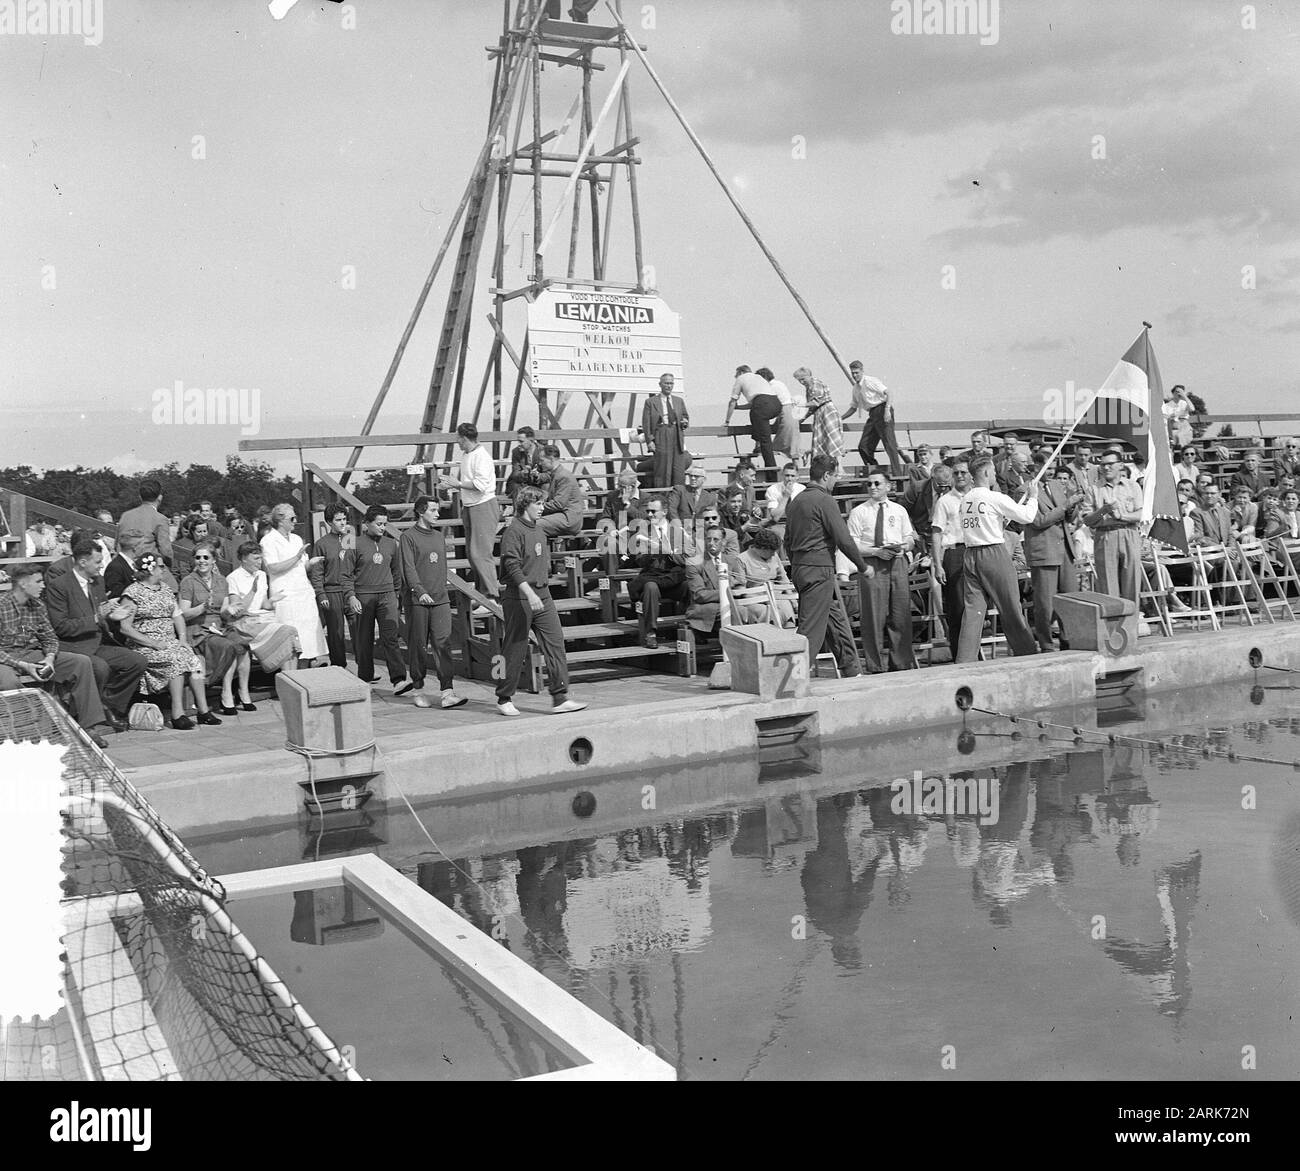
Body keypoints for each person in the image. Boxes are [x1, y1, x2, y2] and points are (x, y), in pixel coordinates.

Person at [0, 563, 115, 747]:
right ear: (23, 583)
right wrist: (22, 665)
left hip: (30, 653)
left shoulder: (37, 605)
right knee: (7, 681)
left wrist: (50, 658)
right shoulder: (2, 605)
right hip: (4, 658)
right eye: (38, 582)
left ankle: (89, 727)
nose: (43, 586)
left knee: (81, 663)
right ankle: (22, 735)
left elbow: (50, 638)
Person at [496, 486, 587, 717]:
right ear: (526, 504)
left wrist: (540, 590)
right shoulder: (512, 531)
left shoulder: (539, 529)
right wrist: (529, 593)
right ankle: (504, 696)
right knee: (514, 648)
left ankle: (560, 696)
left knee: (555, 643)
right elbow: (512, 566)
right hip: (519, 597)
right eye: (538, 503)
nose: (542, 507)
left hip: (543, 594)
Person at [41, 537, 148, 732]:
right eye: (98, 562)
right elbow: (62, 627)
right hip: (73, 646)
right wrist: (98, 617)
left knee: (137, 661)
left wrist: (114, 615)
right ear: (83, 562)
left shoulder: (97, 582)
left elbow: (101, 612)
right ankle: (96, 713)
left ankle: (108, 705)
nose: (101, 566)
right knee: (100, 667)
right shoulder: (59, 586)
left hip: (98, 641)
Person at [784, 455, 870, 675]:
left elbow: (787, 540)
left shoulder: (796, 501)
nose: (836, 481)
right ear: (826, 475)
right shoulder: (825, 500)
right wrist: (862, 566)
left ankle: (851, 669)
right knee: (811, 630)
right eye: (835, 476)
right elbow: (844, 539)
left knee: (834, 619)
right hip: (819, 568)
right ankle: (793, 681)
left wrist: (798, 564)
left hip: (801, 567)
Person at [118, 553, 222, 730]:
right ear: (150, 569)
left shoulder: (165, 589)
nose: (163, 570)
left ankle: (203, 710)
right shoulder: (132, 593)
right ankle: (177, 713)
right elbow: (125, 628)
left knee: (193, 659)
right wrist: (153, 643)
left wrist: (182, 638)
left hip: (168, 641)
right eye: (160, 566)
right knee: (176, 661)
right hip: (145, 644)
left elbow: (177, 615)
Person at [954, 458, 1039, 662]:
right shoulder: (995, 497)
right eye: (992, 472)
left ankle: (964, 661)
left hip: (971, 555)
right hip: (993, 554)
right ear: (984, 474)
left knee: (973, 612)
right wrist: (1033, 497)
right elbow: (1027, 517)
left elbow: (984, 523)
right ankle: (1027, 655)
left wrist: (1000, 521)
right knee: (1010, 607)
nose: (994, 476)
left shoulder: (965, 500)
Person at [844, 470, 917, 673]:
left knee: (900, 612)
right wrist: (876, 551)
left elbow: (909, 537)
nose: (873, 487)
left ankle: (901, 662)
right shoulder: (860, 512)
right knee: (873, 615)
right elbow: (853, 544)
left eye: (877, 483)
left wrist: (904, 547)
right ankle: (875, 665)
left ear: (888, 486)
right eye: (870, 484)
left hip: (897, 563)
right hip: (872, 565)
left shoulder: (899, 510)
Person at [399, 494, 466, 709]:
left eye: (438, 510)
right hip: (418, 601)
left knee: (443, 644)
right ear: (420, 511)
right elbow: (408, 567)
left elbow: (442, 568)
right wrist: (419, 591)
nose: (437, 514)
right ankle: (418, 689)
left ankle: (447, 692)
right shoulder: (407, 537)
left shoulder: (438, 536)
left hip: (440, 599)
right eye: (433, 510)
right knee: (418, 645)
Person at [177, 540, 251, 714]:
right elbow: (183, 613)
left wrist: (230, 610)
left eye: (206, 557)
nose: (202, 561)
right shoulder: (188, 582)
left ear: (213, 560)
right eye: (198, 557)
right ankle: (226, 693)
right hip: (199, 630)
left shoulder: (221, 581)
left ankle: (243, 691)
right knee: (229, 646)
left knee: (243, 645)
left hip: (219, 626)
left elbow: (224, 612)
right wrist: (202, 607)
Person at [1023, 471, 1086, 651]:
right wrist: (1067, 505)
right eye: (1044, 465)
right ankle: (1047, 645)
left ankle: (1070, 641)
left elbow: (1068, 517)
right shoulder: (1025, 490)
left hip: (1065, 550)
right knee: (1045, 605)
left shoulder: (1057, 486)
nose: (1049, 471)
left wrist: (1073, 504)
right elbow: (1038, 521)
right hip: (1044, 552)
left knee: (1070, 599)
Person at [344, 506, 407, 687]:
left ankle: (399, 679)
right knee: (364, 639)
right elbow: (345, 574)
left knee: (391, 637)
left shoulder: (391, 544)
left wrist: (395, 594)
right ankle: (365, 676)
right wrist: (351, 596)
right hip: (363, 596)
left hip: (387, 596)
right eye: (378, 524)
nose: (382, 527)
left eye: (384, 524)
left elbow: (396, 571)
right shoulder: (352, 542)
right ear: (366, 524)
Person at [439, 422, 501, 602]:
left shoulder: (481, 456)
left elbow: (481, 485)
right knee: (472, 554)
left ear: (464, 438)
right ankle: (483, 594)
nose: (457, 442)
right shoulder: (467, 455)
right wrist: (451, 484)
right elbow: (465, 481)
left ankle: (492, 596)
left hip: (483, 505)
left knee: (480, 554)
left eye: (458, 438)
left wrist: (457, 484)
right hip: (470, 506)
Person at [260, 504, 328, 668]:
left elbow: (302, 566)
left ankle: (306, 673)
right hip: (286, 594)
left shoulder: (297, 539)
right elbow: (272, 567)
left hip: (303, 592)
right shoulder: (268, 540)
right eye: (292, 518)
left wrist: (311, 562)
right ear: (280, 520)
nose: (295, 521)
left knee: (309, 638)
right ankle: (290, 678)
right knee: (291, 638)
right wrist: (297, 557)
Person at [225, 542, 299, 679]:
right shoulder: (233, 578)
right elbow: (236, 610)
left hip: (261, 620)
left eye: (261, 558)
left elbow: (264, 604)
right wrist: (252, 591)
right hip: (243, 624)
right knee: (286, 632)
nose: (260, 562)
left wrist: (272, 601)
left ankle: (291, 681)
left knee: (290, 633)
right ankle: (289, 681)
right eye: (256, 559)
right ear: (243, 558)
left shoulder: (262, 575)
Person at [1083, 450, 1144, 607]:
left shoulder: (1133, 486)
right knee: (1108, 586)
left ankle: (1131, 626)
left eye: (1110, 464)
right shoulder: (1094, 489)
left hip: (1129, 533)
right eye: (1103, 464)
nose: (1106, 467)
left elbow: (1141, 514)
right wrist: (1104, 510)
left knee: (1132, 581)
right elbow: (1088, 520)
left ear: (1121, 465)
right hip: (1105, 536)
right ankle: (1112, 629)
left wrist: (1121, 516)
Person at [626, 497, 688, 649]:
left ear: (665, 512)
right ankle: (651, 633)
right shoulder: (643, 532)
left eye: (653, 511)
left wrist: (670, 552)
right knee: (650, 587)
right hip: (653, 577)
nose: (650, 514)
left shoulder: (678, 532)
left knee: (689, 585)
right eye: (648, 511)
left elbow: (686, 558)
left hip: (673, 578)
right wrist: (650, 550)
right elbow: (639, 561)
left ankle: (691, 628)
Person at [929, 459, 971, 653]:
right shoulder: (944, 501)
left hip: (977, 550)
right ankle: (959, 653)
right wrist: (938, 565)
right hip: (955, 553)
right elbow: (936, 534)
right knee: (957, 607)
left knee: (975, 606)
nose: (960, 476)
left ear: (971, 475)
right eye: (956, 473)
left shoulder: (977, 497)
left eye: (963, 472)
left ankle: (974, 649)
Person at [685, 526, 758, 635]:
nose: (711, 543)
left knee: (756, 610)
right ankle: (736, 647)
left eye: (715, 539)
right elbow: (699, 595)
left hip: (729, 604)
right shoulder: (694, 563)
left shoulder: (731, 561)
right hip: (705, 609)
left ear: (723, 542)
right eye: (708, 539)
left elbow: (740, 585)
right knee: (739, 612)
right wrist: (728, 591)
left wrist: (736, 589)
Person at [309, 505, 357, 669]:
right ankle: (339, 667)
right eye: (338, 520)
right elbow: (317, 573)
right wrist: (321, 595)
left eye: (344, 519)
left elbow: (356, 564)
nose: (342, 523)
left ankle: (365, 667)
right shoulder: (321, 544)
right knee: (336, 634)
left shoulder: (349, 539)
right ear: (329, 522)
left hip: (350, 591)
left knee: (358, 628)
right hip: (332, 591)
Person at [842, 360, 902, 477]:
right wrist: (840, 418)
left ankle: (898, 476)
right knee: (863, 446)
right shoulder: (856, 389)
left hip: (882, 409)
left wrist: (887, 410)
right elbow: (853, 408)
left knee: (889, 444)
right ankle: (877, 473)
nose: (855, 375)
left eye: (857, 373)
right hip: (872, 414)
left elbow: (889, 392)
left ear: (862, 371)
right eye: (853, 373)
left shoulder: (870, 381)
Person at [726, 364, 783, 481]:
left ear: (741, 373)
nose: (735, 376)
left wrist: (727, 421)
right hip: (776, 404)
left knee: (765, 442)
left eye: (736, 374)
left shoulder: (740, 379)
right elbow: (756, 403)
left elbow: (732, 402)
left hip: (761, 406)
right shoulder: (758, 378)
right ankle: (757, 441)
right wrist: (739, 408)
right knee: (757, 418)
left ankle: (772, 476)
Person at [735, 527, 796, 626]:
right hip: (753, 599)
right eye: (772, 551)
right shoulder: (742, 559)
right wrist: (764, 598)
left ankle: (790, 633)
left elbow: (783, 578)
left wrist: (792, 599)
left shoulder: (774, 557)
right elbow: (740, 587)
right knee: (769, 612)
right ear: (762, 549)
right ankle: (773, 635)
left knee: (785, 606)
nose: (774, 554)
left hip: (775, 595)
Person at [641, 373, 689, 488]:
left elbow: (685, 416)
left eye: (671, 383)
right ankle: (662, 498)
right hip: (661, 434)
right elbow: (646, 424)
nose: (669, 386)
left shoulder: (679, 401)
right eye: (666, 383)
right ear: (660, 384)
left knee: (678, 470)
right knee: (662, 470)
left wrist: (684, 422)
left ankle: (678, 498)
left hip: (676, 434)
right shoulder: (651, 402)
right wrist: (650, 441)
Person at [793, 367, 845, 466]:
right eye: (799, 380)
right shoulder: (808, 387)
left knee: (832, 439)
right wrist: (801, 419)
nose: (802, 382)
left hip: (827, 412)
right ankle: (828, 467)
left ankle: (839, 468)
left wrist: (799, 405)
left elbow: (816, 402)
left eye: (803, 379)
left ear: (809, 376)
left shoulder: (815, 383)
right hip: (819, 413)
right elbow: (811, 408)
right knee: (822, 441)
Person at [535, 443, 586, 539]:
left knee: (533, 525)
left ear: (551, 459)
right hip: (561, 515)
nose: (540, 463)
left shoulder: (563, 476)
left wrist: (533, 507)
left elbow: (558, 504)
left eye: (542, 460)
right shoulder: (556, 475)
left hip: (569, 519)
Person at [119, 479, 173, 566]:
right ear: (160, 497)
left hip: (124, 565)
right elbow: (166, 551)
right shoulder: (161, 519)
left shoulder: (125, 516)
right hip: (147, 568)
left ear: (140, 497)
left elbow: (117, 544)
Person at [505, 426, 545, 498]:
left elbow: (547, 473)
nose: (519, 444)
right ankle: (518, 509)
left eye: (521, 441)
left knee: (546, 485)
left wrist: (537, 475)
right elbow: (515, 473)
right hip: (523, 482)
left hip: (538, 482)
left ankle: (544, 507)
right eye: (518, 441)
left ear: (531, 440)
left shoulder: (542, 451)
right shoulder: (516, 452)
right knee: (516, 487)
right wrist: (523, 473)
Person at [103, 530, 144, 598]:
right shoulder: (115, 568)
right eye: (143, 545)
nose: (144, 548)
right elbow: (116, 595)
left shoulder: (134, 565)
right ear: (135, 547)